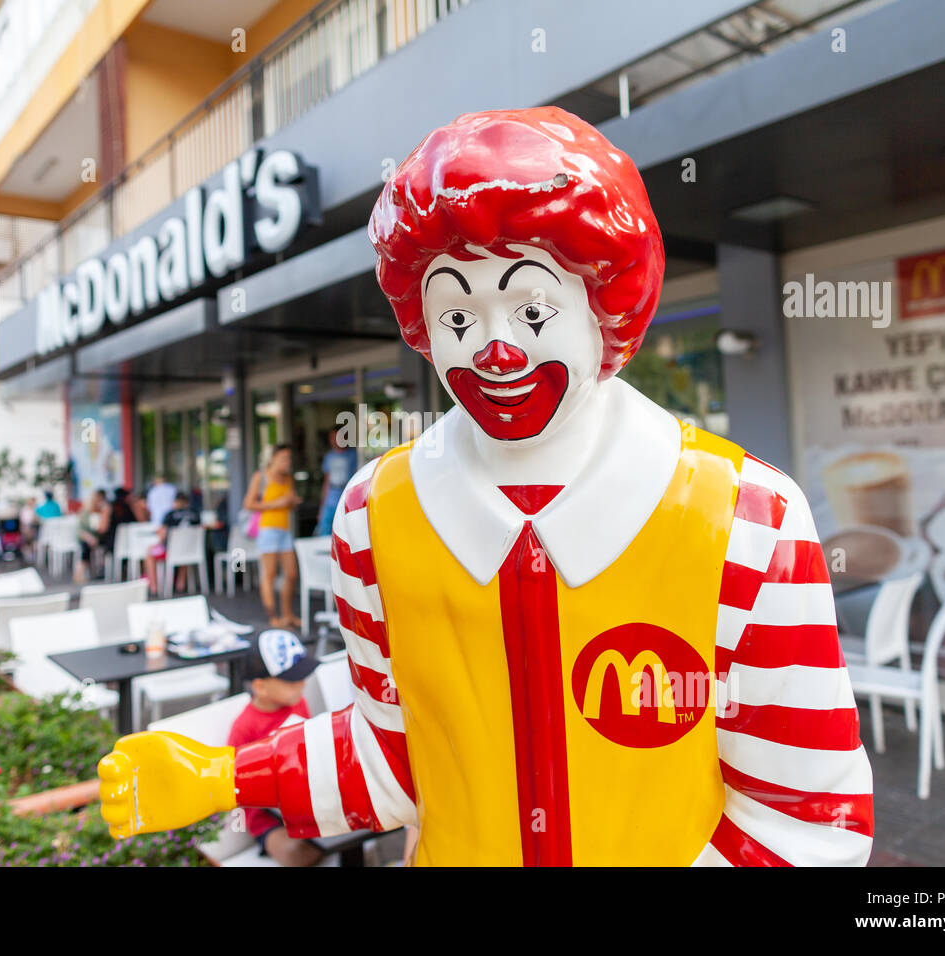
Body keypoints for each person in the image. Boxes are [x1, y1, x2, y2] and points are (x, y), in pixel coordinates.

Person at [100, 107, 872, 867]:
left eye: (532, 309)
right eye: (458, 317)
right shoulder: (373, 520)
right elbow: (397, 760)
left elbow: (807, 816)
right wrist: (226, 775)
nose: (497, 349)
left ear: (606, 306)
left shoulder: (748, 518)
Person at [225, 630, 323, 866]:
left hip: (305, 803)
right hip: (266, 819)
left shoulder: (299, 703)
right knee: (296, 852)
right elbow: (234, 783)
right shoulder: (244, 728)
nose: (302, 683)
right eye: (291, 680)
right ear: (261, 687)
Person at [243, 445, 301, 628]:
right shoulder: (261, 477)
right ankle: (273, 617)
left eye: (289, 459)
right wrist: (276, 504)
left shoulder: (288, 479)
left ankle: (287, 615)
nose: (287, 462)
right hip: (267, 529)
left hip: (285, 530)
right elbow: (249, 504)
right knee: (270, 574)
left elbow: (290, 505)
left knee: (292, 574)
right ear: (273, 459)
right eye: (284, 458)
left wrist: (292, 502)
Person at [144, 491, 199, 596]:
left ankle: (154, 587)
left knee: (149, 553)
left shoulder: (170, 515)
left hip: (171, 552)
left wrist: (157, 542)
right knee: (184, 552)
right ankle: (180, 584)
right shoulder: (195, 514)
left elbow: (162, 534)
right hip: (190, 551)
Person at [316, 426, 359, 536]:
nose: (335, 440)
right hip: (330, 500)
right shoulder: (329, 456)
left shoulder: (354, 455)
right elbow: (326, 482)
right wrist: (322, 506)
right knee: (324, 530)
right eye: (333, 438)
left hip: (346, 499)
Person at [76, 489, 110, 583]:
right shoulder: (85, 512)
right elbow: (80, 530)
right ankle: (80, 572)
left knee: (91, 545)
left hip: (98, 537)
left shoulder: (101, 512)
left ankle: (91, 570)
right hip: (87, 538)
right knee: (86, 546)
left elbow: (102, 529)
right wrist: (89, 537)